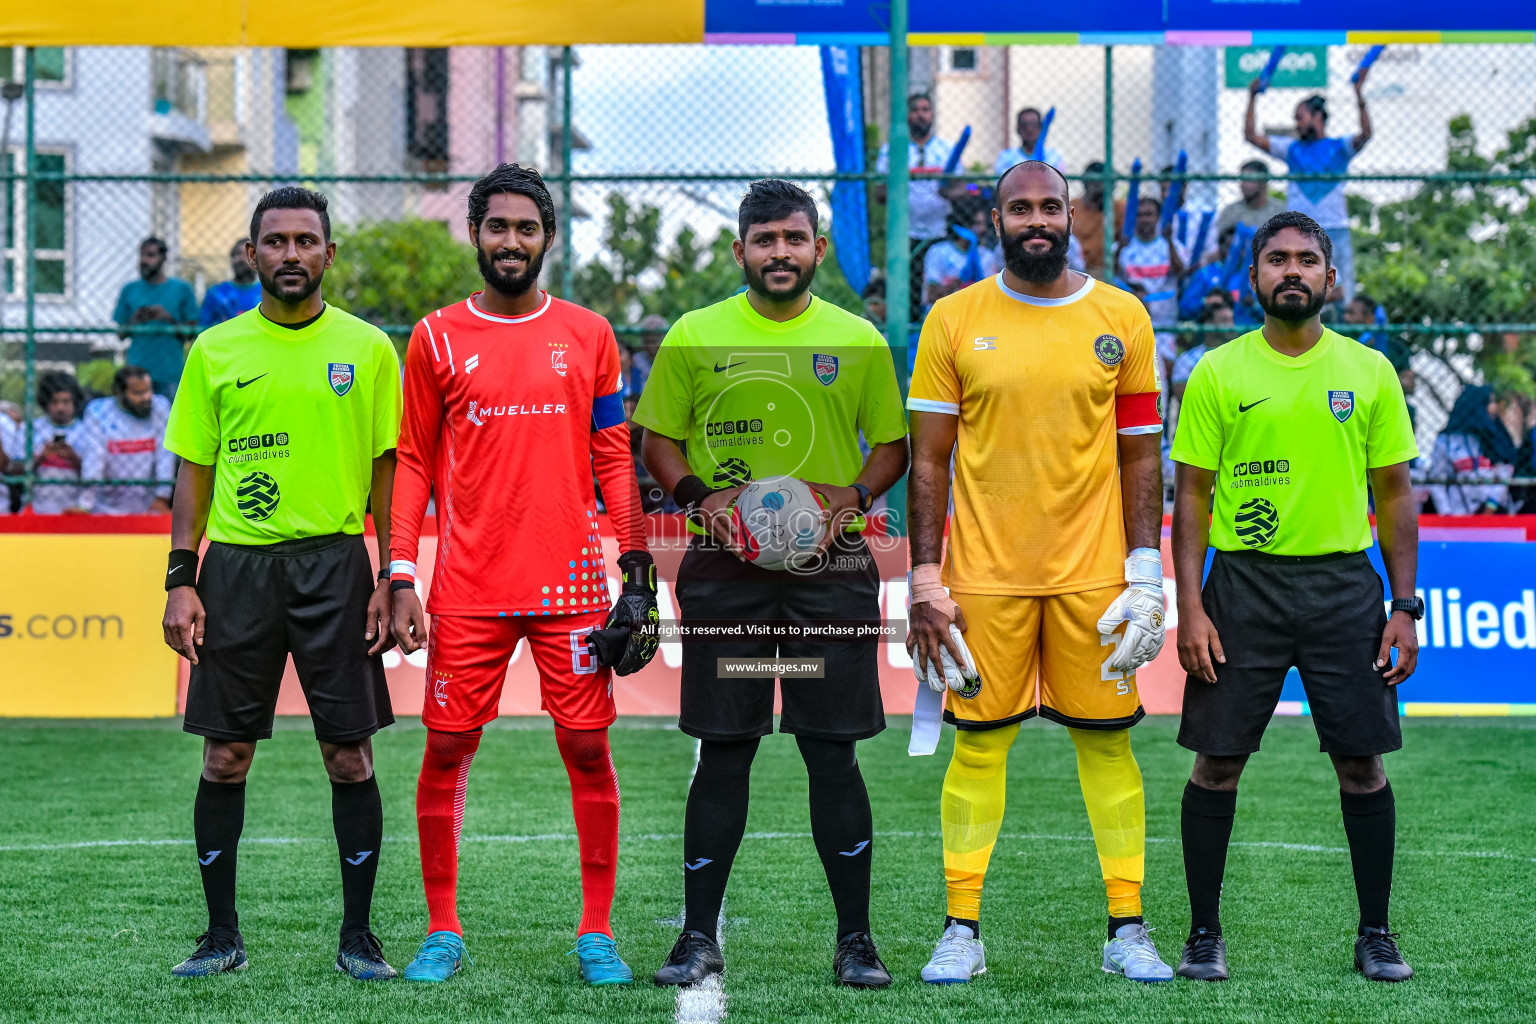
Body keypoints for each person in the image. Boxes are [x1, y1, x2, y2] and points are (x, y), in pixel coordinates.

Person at [387, 163, 657, 987]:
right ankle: (442, 929)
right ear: (474, 234)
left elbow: (614, 455)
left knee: (584, 747)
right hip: (465, 590)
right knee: (446, 751)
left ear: (548, 238)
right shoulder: (434, 337)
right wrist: (401, 571)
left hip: (572, 587)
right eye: (498, 227)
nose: (512, 241)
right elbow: (411, 462)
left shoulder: (590, 334)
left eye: (527, 228)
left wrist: (638, 565)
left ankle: (597, 933)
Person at [635, 179, 909, 989]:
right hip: (728, 575)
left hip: (832, 574)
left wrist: (851, 501)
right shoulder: (694, 334)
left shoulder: (856, 339)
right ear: (740, 251)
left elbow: (890, 445)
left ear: (817, 249)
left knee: (832, 755)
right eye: (765, 240)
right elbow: (658, 442)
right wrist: (701, 503)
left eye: (794, 239)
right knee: (724, 751)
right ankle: (695, 937)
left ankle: (856, 940)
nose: (779, 253)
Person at [906, 160, 1173, 985]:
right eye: (1019, 207)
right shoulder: (952, 319)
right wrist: (924, 577)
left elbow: (1140, 454)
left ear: (1073, 218)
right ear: (995, 220)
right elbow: (927, 462)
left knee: (1106, 746)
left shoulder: (1121, 316)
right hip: (983, 577)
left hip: (1096, 578)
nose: (1036, 220)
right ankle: (961, 930)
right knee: (979, 748)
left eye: (1049, 206)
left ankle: (1126, 929)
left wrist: (1146, 570)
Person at [1170, 210, 1420, 984]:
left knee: (1363, 767)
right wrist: (1192, 606)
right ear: (1251, 278)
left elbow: (1397, 495)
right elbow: (1192, 499)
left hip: (1345, 589)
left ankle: (1375, 932)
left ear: (1330, 277)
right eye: (1276, 258)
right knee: (1217, 765)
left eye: (1307, 259)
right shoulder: (1219, 371)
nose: (1292, 271)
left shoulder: (1369, 372)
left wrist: (1405, 609)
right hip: (1242, 588)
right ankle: (1204, 934)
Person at [160, 187, 402, 980]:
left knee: (350, 758)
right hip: (236, 570)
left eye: (306, 241)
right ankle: (219, 936)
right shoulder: (215, 350)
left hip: (337, 567)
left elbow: (387, 470)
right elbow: (193, 470)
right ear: (252, 253)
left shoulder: (367, 349)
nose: (291, 254)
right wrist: (180, 578)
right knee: (224, 757)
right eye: (276, 242)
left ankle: (358, 936)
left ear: (329, 254)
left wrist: (392, 574)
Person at [1244, 72, 1373, 304]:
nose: (1297, 124)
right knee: (1309, 295)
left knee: (1346, 299)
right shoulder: (1291, 149)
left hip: (1336, 229)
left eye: (1300, 118)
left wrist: (1358, 93)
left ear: (1317, 117)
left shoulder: (1339, 147)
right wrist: (1252, 97)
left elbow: (1365, 134)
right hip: (1304, 233)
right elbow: (1251, 136)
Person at [877, 93, 955, 320]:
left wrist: (952, 191)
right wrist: (899, 186)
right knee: (905, 298)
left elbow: (967, 186)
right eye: (915, 110)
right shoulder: (892, 150)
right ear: (907, 115)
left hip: (940, 232)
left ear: (932, 114)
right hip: (905, 235)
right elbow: (879, 192)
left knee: (941, 300)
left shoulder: (946, 150)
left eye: (925, 109)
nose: (920, 114)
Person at [77, 365, 176, 515]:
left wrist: (162, 497)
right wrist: (85, 504)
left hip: (149, 507)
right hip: (105, 508)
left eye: (149, 390)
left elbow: (165, 456)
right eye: (138, 393)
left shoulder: (160, 406)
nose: (146, 398)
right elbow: (94, 459)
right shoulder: (98, 411)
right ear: (119, 393)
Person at [114, 236, 199, 398]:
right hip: (136, 373)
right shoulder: (130, 290)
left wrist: (167, 318)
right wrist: (136, 319)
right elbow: (120, 334)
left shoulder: (182, 289)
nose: (144, 260)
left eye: (151, 255)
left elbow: (191, 333)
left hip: (169, 373)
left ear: (163, 259)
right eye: (142, 255)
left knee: (171, 420)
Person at [1425, 384, 1519, 515]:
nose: (1494, 408)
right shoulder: (1447, 441)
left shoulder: (1497, 438)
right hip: (1459, 514)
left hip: (1496, 512)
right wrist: (1446, 512)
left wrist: (1491, 505)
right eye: (1490, 402)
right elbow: (1436, 479)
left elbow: (1504, 472)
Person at [27, 371, 89, 515]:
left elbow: (94, 475)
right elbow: (16, 471)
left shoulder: (87, 431)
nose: (60, 408)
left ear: (74, 402)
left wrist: (72, 457)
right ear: (46, 402)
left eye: (66, 402)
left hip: (74, 508)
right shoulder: (32, 429)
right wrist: (41, 457)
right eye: (54, 402)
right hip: (38, 508)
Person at [1117, 197, 1184, 329]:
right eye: (1139, 215)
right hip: (1132, 321)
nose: (1144, 219)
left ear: (1158, 217)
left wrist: (1169, 243)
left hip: (1165, 322)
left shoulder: (1172, 246)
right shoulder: (1124, 248)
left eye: (1149, 214)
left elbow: (1180, 272)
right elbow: (1113, 276)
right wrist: (1119, 249)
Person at [923, 203, 1003, 308]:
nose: (983, 229)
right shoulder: (939, 251)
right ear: (963, 226)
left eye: (984, 224)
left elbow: (991, 297)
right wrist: (961, 281)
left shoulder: (986, 255)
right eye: (977, 224)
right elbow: (932, 295)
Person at [1072, 161, 1125, 279]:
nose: (1106, 194)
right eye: (1099, 187)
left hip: (1110, 269)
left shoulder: (1118, 207)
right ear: (1088, 185)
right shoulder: (1073, 208)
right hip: (1078, 269)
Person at [199, 238, 263, 329]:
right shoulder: (216, 293)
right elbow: (203, 327)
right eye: (234, 255)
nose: (238, 259)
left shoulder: (267, 292)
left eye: (244, 254)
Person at [1215, 160, 1287, 240]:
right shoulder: (1231, 210)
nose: (1243, 184)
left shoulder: (1280, 211)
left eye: (1249, 180)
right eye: (1242, 179)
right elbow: (1220, 243)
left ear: (1263, 182)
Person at [993, 106, 1067, 177]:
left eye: (1033, 124)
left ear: (1040, 128)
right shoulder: (1005, 157)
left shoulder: (1055, 156)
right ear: (1018, 129)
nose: (1029, 129)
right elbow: (1001, 185)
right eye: (1024, 124)